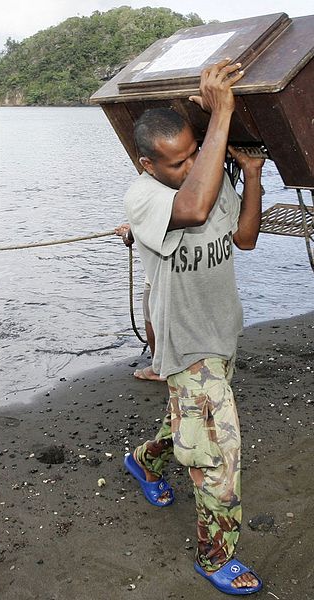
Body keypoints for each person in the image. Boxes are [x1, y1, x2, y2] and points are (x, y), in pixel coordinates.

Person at [122, 59, 264, 595]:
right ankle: (215, 555)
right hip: (186, 346)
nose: (189, 166)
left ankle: (143, 463)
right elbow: (195, 206)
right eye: (177, 162)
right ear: (147, 163)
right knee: (217, 451)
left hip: (223, 332)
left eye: (194, 154)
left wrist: (249, 176)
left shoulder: (208, 175)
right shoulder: (144, 198)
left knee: (187, 426)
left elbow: (244, 237)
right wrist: (223, 110)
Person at [113, 222, 165, 382]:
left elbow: (132, 236)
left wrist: (129, 233)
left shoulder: (153, 199)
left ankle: (159, 367)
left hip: (161, 268)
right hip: (191, 264)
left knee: (151, 315)